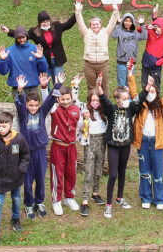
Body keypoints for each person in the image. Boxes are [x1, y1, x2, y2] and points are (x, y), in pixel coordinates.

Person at [15, 73, 62, 221]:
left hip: (40, 151)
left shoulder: (42, 111)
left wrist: (57, 85)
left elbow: (51, 99)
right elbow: (20, 103)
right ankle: (29, 204)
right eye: (30, 105)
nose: (33, 108)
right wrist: (21, 91)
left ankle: (39, 202)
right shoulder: (23, 114)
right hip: (27, 153)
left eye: (36, 105)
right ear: (26, 105)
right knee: (28, 181)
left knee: (40, 179)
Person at [128, 64, 163, 210]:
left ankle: (159, 199)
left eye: (153, 91)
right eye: (149, 91)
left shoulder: (161, 105)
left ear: (157, 93)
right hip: (143, 142)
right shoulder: (140, 104)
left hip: (157, 143)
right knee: (144, 171)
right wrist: (130, 75)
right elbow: (134, 92)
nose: (151, 93)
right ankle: (146, 197)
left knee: (158, 172)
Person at [103, 79, 147, 218]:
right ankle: (108, 204)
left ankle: (119, 198)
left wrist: (148, 87)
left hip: (125, 146)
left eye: (127, 98)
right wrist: (99, 88)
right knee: (113, 175)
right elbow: (104, 101)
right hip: (113, 147)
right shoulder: (111, 110)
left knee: (122, 173)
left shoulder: (130, 109)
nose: (127, 101)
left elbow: (139, 100)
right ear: (117, 100)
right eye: (124, 98)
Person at [0, 112, 31, 248]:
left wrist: (20, 170)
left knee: (16, 198)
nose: (0, 129)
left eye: (4, 126)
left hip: (15, 177)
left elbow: (25, 156)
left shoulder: (19, 139)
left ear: (10, 126)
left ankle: (15, 218)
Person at [0, 10, 77, 88]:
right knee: (45, 84)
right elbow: (23, 35)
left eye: (47, 21)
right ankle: (47, 99)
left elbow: (68, 24)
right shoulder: (34, 32)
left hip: (58, 60)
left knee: (58, 83)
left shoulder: (57, 26)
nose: (46, 24)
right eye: (43, 22)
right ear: (39, 23)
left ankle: (57, 99)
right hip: (45, 61)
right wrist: (9, 31)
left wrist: (77, 13)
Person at [74, 73, 108, 216]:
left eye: (97, 100)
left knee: (99, 168)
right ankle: (84, 200)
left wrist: (100, 86)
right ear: (89, 100)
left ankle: (95, 192)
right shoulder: (84, 109)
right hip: (90, 141)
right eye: (93, 100)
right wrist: (75, 86)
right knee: (88, 170)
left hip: (102, 141)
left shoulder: (103, 111)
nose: (95, 102)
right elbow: (74, 100)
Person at [75, 1, 120, 97]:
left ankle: (105, 107)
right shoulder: (86, 32)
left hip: (103, 64)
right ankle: (90, 107)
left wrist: (115, 11)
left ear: (100, 24)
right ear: (90, 25)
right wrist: (78, 11)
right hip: (89, 65)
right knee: (91, 87)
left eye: (97, 24)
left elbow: (112, 23)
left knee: (104, 86)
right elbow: (80, 23)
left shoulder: (106, 32)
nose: (95, 26)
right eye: (93, 24)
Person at [48, 83, 81, 216]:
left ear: (71, 98)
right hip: (58, 147)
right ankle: (56, 200)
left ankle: (69, 197)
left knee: (71, 173)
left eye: (68, 99)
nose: (65, 101)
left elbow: (78, 123)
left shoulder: (76, 108)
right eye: (63, 99)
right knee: (57, 174)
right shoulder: (54, 108)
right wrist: (49, 87)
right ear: (58, 99)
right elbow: (47, 99)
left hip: (71, 147)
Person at [0, 26, 48, 97]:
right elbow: (3, 72)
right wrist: (3, 60)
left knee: (33, 107)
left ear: (27, 37)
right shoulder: (9, 51)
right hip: (17, 87)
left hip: (32, 86)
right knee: (20, 107)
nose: (21, 40)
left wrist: (41, 59)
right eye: (19, 38)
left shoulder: (35, 49)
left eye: (23, 37)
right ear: (15, 38)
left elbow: (44, 70)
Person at [111, 12, 146, 87]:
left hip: (132, 63)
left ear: (132, 22)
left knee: (130, 83)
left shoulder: (136, 33)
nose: (127, 23)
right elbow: (114, 35)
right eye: (126, 20)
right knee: (121, 84)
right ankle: (121, 98)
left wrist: (142, 24)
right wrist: (117, 23)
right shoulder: (120, 32)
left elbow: (145, 36)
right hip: (121, 63)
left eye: (130, 21)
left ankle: (129, 99)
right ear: (123, 21)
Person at [140, 16, 163, 89]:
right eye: (157, 27)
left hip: (155, 66)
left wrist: (158, 62)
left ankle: (155, 100)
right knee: (144, 83)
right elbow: (139, 29)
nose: (158, 29)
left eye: (160, 27)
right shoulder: (150, 32)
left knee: (155, 86)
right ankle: (144, 99)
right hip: (146, 62)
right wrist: (147, 26)